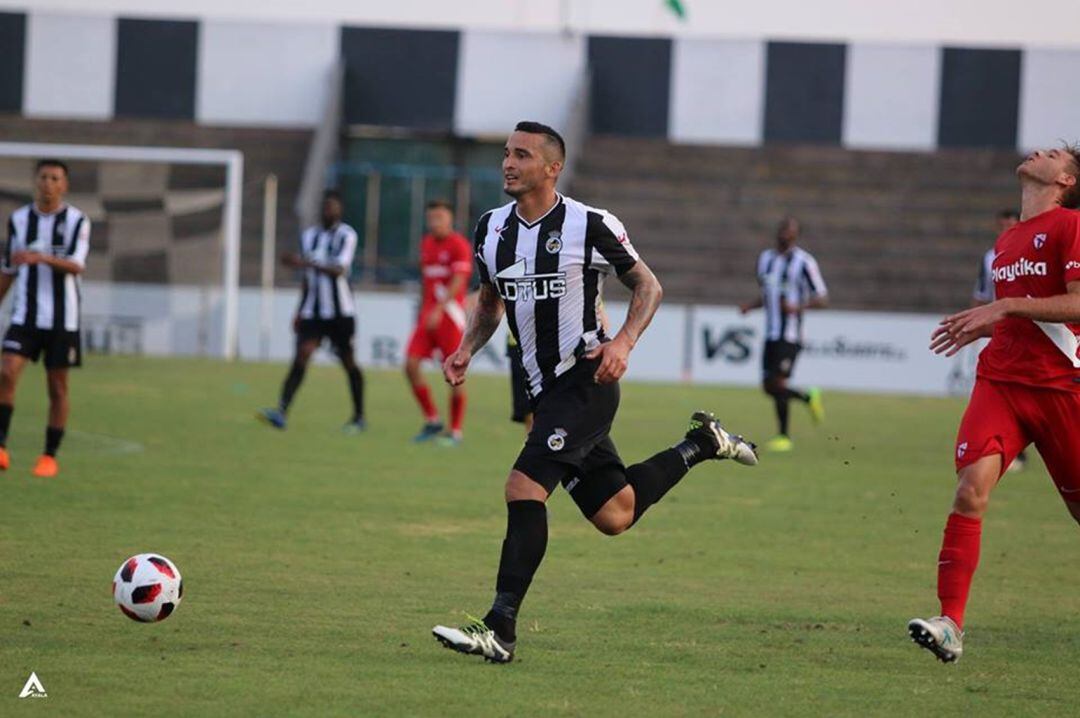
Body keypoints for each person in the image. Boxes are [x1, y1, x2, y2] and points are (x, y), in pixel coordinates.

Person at [430, 121, 758, 664]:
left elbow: (648, 285)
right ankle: (702, 443)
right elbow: (490, 299)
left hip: (585, 381)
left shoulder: (589, 224)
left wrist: (623, 343)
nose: (508, 163)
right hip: (545, 391)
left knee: (522, 488)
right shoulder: (491, 229)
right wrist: (468, 347)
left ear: (552, 168)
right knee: (615, 514)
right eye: (506, 154)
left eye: (522, 155)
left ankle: (500, 629)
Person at [910, 145, 1080, 663]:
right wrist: (986, 323)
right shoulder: (1006, 240)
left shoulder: (1071, 225)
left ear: (1066, 179)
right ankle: (950, 624)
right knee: (970, 492)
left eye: (1053, 152)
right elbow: (1022, 314)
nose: (1039, 151)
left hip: (1061, 389)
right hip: (1002, 383)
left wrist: (1004, 305)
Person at [0, 158, 90, 478]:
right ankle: (1, 447)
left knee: (57, 388)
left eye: (55, 178)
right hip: (25, 315)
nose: (48, 184)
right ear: (35, 182)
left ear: (64, 185)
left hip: (62, 321)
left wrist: (40, 257)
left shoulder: (78, 221)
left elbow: (77, 266)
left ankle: (49, 456)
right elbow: (9, 269)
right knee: (7, 372)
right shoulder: (20, 220)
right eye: (43, 177)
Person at [258, 190, 365, 432]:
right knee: (302, 355)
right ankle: (281, 411)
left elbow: (340, 269)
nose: (328, 211)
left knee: (349, 362)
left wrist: (304, 262)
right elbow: (308, 279)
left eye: (333, 207)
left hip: (340, 313)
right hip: (313, 312)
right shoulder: (309, 237)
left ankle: (358, 416)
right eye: (325, 206)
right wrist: (299, 310)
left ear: (340, 210)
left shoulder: (347, 235)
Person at [739, 217, 828, 452]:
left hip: (790, 335)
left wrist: (797, 308)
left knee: (778, 382)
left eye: (791, 231)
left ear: (796, 235)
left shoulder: (804, 262)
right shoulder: (766, 259)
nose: (786, 234)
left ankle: (784, 436)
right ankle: (808, 397)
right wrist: (751, 305)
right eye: (783, 229)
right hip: (771, 333)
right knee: (768, 386)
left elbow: (822, 297)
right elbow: (768, 295)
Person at [405, 199, 473, 445]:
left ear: (450, 219)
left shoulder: (459, 245)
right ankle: (433, 420)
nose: (435, 222)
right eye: (431, 218)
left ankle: (455, 431)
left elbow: (458, 280)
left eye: (439, 218)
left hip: (450, 316)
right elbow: (427, 282)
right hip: (428, 315)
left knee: (454, 373)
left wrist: (440, 309)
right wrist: (424, 310)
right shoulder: (426, 244)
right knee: (410, 365)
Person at [973, 209, 1027, 472]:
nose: (1006, 228)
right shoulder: (989, 256)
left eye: (1011, 224)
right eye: (1002, 224)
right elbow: (982, 293)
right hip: (996, 330)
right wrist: (971, 320)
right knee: (999, 389)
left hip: (1027, 332)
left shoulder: (1033, 251)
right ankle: (1001, 449)